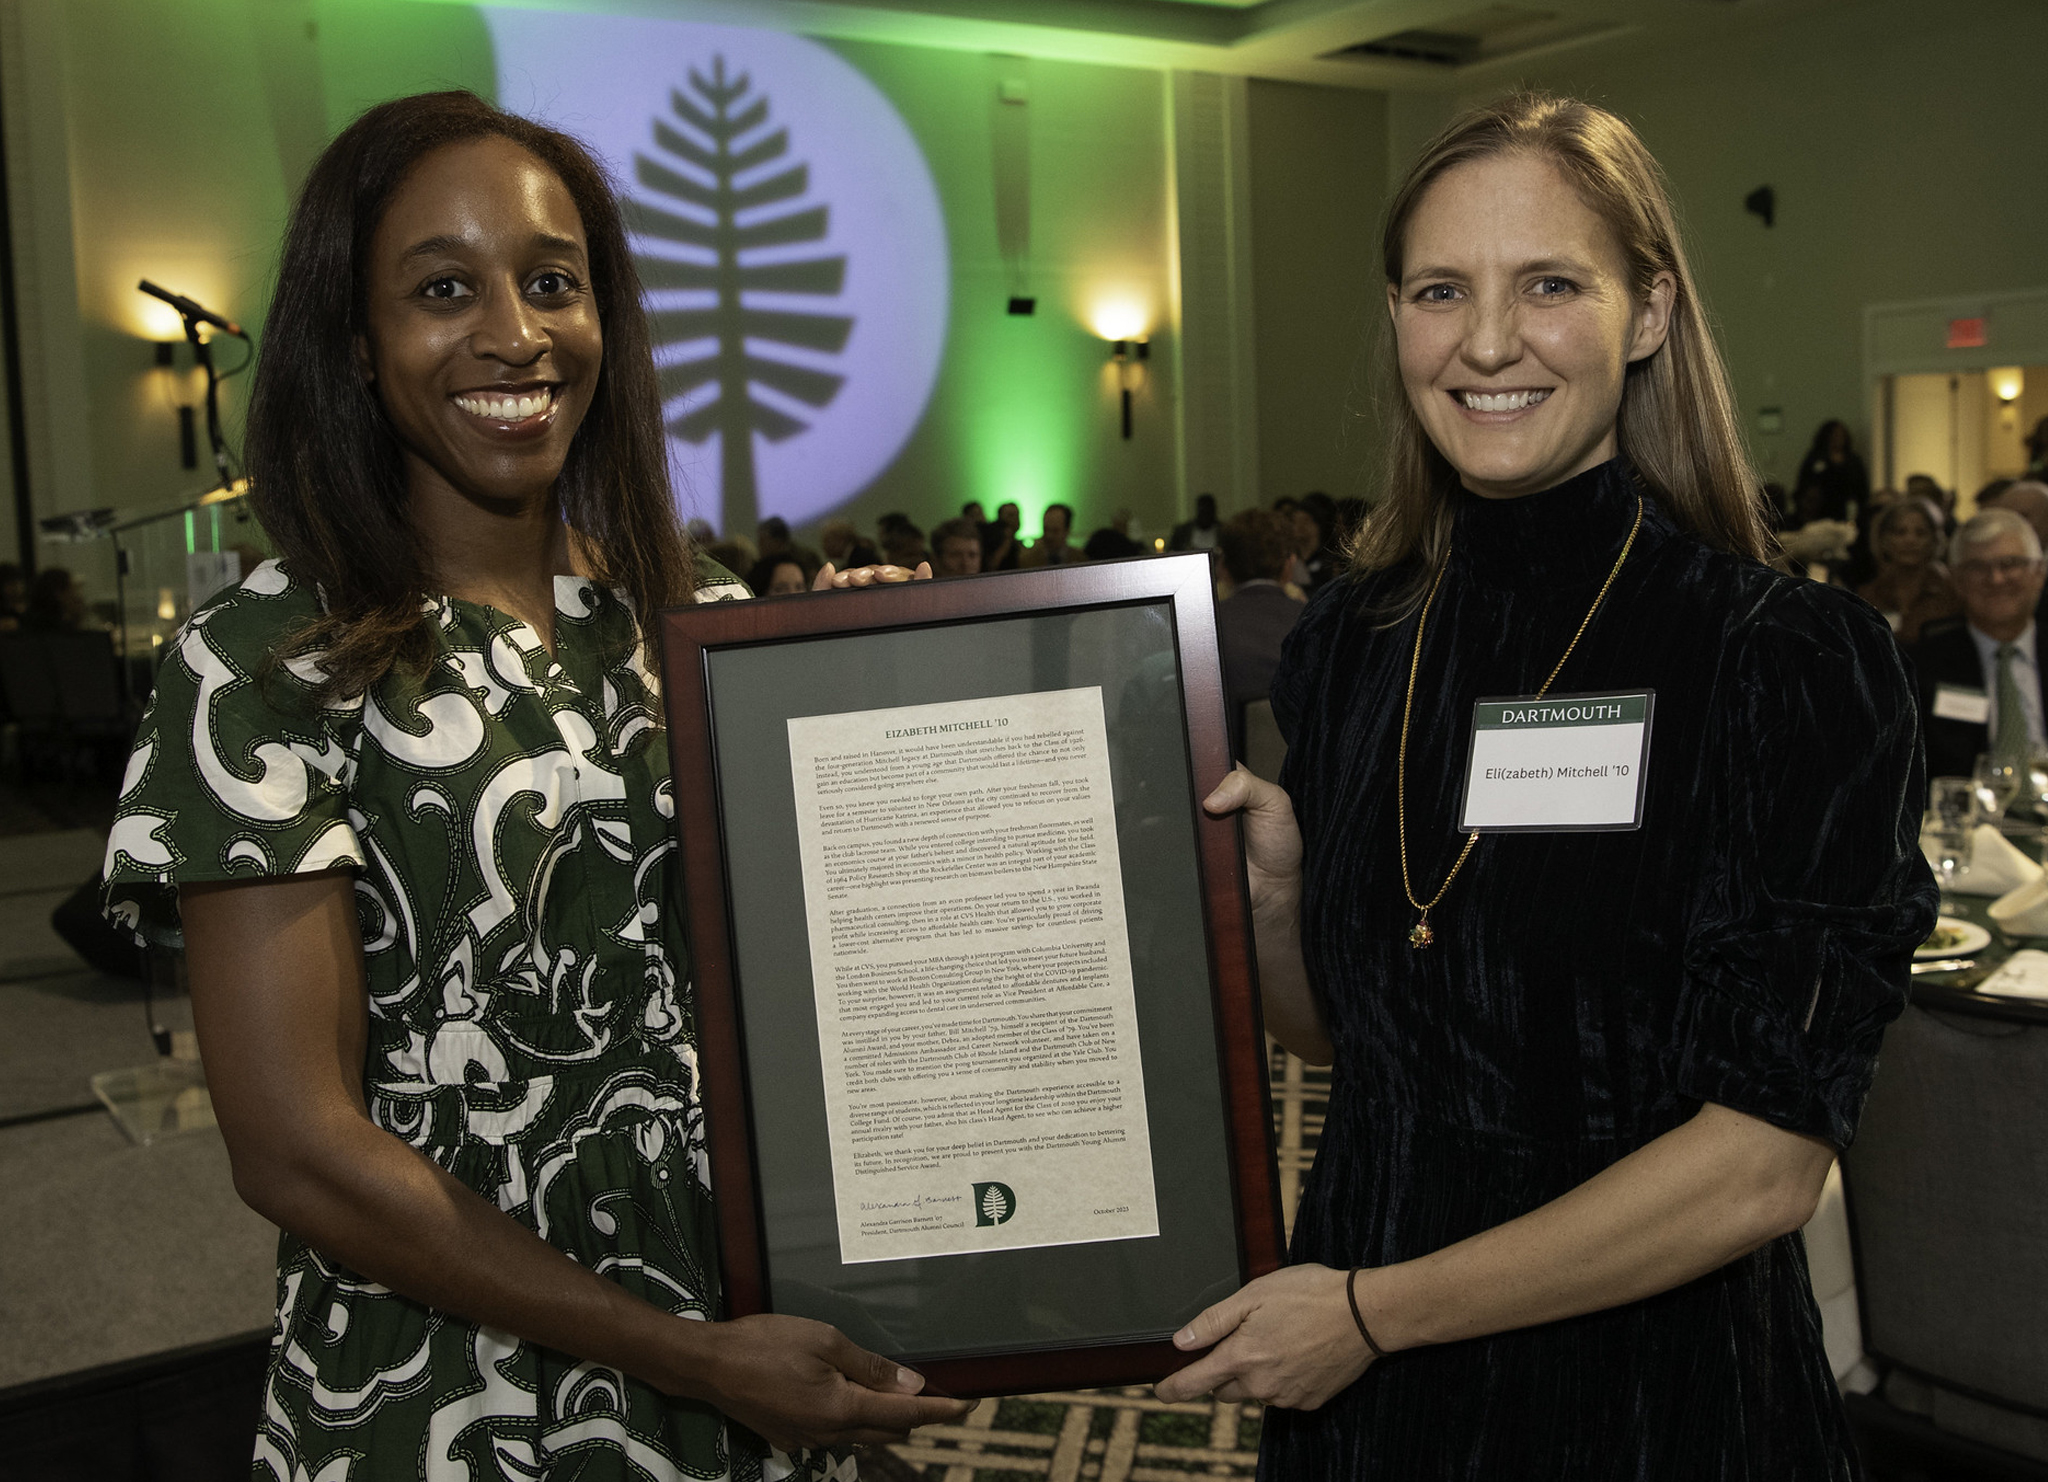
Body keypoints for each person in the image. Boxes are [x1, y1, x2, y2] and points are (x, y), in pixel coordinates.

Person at [99, 91, 962, 1481]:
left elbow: (828, 975)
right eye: (444, 289)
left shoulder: (705, 621)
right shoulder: (264, 662)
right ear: (357, 343)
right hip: (446, 1389)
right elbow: (297, 1152)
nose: (514, 333)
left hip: (753, 1348)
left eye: (552, 282)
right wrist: (683, 1354)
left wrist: (893, 693)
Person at [1157, 92, 1933, 1480]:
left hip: (1642, 1396)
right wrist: (1279, 900)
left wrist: (1369, 1314)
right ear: (1397, 315)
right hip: (1364, 1398)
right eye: (1441, 289)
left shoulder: (1784, 661)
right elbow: (1351, 1037)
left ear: (1647, 313)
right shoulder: (1354, 637)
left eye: (1551, 285)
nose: (1489, 341)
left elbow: (1763, 1164)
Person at [1909, 507, 2047, 781]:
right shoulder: (1922, 668)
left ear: (2039, 573)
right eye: (1977, 567)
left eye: (2010, 564)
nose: (1996, 579)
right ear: (1956, 580)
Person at [1212, 510, 1303, 759]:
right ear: (1289, 565)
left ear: (1223, 568)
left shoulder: (1205, 631)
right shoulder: (1317, 623)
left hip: (1226, 782)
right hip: (1309, 782)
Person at [1855, 496, 1959, 643]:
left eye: (1920, 533)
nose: (1910, 540)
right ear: (1883, 540)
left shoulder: (1951, 593)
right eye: (1900, 532)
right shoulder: (1868, 595)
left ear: (1935, 540)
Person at [1791, 419, 1870, 526]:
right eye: (1835, 435)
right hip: (1820, 511)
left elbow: (1861, 486)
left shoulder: (1853, 460)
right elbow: (1806, 482)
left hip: (1846, 509)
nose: (1838, 438)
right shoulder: (1816, 458)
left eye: (1841, 435)